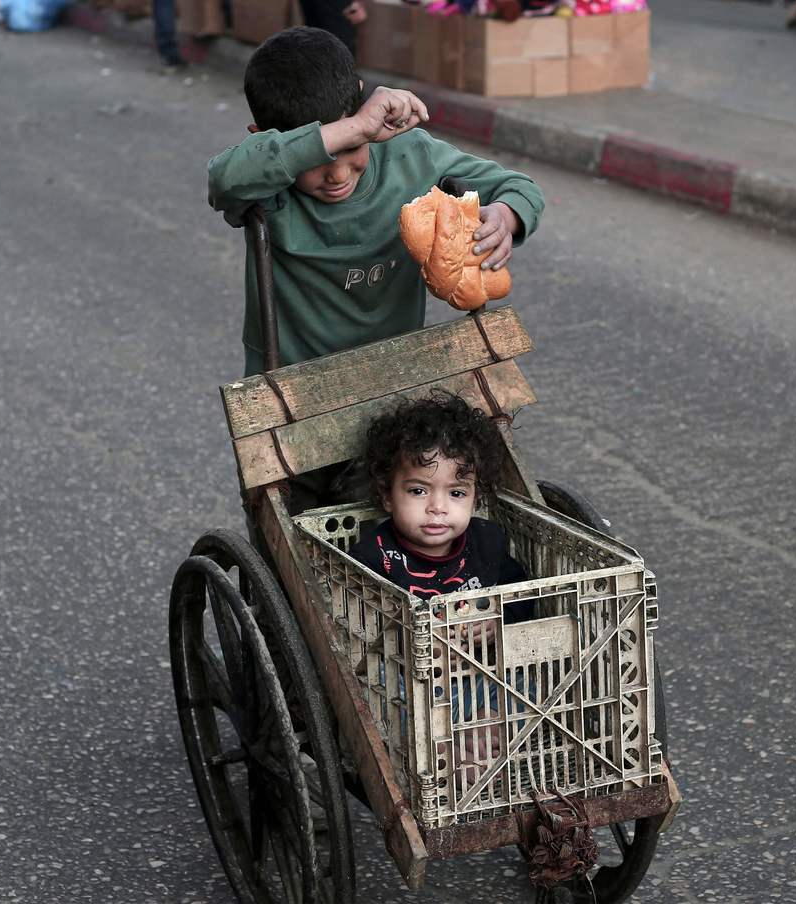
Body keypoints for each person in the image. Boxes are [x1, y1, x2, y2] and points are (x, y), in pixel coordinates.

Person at [207, 26, 544, 379]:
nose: (337, 175)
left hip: (396, 370)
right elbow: (223, 178)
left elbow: (520, 187)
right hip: (292, 381)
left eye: (352, 149)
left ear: (358, 97)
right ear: (264, 140)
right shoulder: (267, 180)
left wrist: (505, 217)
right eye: (315, 158)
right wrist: (356, 129)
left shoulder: (408, 156)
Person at [349, 393, 533, 780]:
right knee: (383, 686)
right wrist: (410, 643)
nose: (437, 507)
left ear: (474, 498)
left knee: (527, 676)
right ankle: (443, 748)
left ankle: (485, 732)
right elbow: (356, 632)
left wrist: (495, 618)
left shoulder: (487, 543)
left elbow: (521, 597)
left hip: (479, 672)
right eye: (418, 491)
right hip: (415, 682)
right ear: (387, 496)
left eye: (456, 493)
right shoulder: (374, 555)